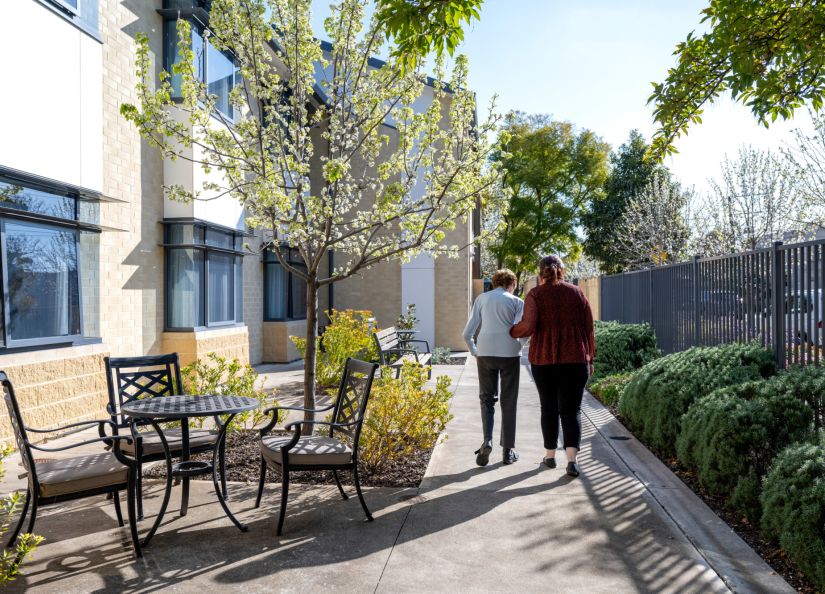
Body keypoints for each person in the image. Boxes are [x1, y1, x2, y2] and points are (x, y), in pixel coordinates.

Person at [510, 255, 595, 478]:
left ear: (541, 272)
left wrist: (511, 331)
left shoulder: (535, 294)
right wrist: (590, 359)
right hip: (576, 360)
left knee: (549, 408)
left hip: (544, 360)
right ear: (562, 271)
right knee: (571, 409)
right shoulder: (576, 293)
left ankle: (550, 456)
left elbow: (528, 326)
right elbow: (589, 329)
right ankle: (572, 461)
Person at [463, 269, 525, 466]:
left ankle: (487, 441)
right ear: (512, 284)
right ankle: (507, 452)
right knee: (509, 401)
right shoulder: (517, 302)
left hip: (485, 353)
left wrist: (474, 351)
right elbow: (523, 330)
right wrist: (518, 346)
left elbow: (467, 333)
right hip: (509, 354)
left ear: (495, 282)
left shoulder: (482, 299)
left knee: (487, 399)